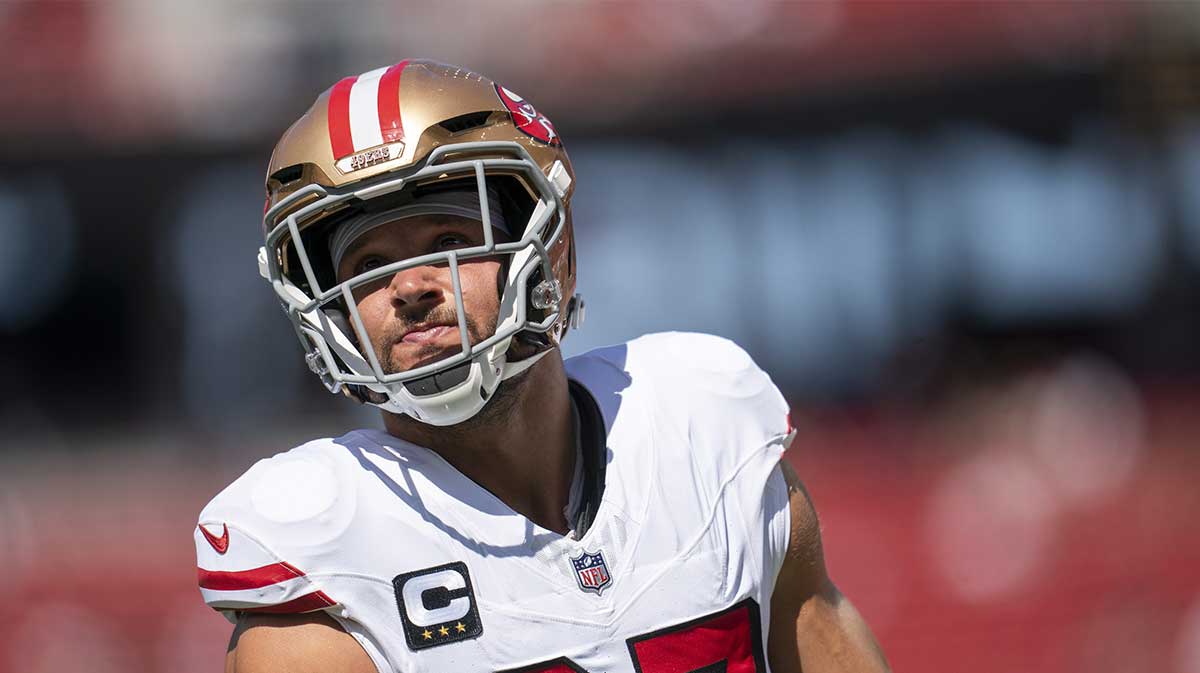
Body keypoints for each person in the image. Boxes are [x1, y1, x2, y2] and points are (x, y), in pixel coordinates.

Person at [195, 59, 891, 673]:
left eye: (447, 239)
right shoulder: (325, 565)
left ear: (543, 249)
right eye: (370, 265)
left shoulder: (704, 431)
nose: (409, 288)